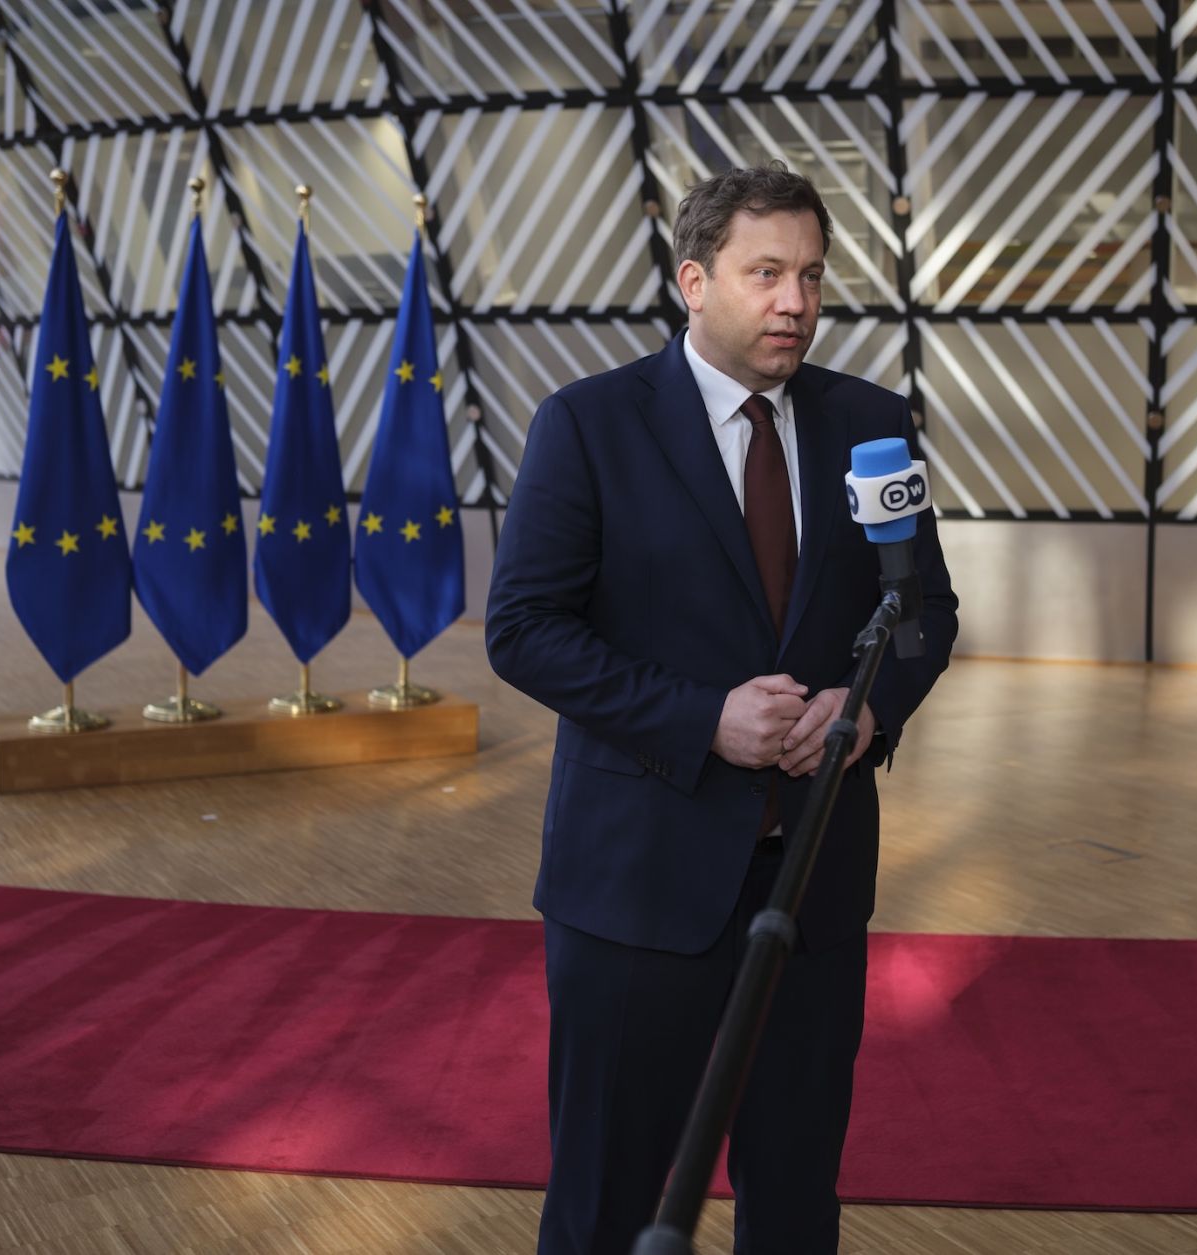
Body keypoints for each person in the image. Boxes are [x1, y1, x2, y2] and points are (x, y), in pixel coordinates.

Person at [486, 164, 958, 1255]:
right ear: (694, 281)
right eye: (766, 273)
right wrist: (706, 716)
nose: (796, 299)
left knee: (793, 1203)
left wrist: (868, 708)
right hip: (636, 893)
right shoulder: (590, 425)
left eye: (811, 275)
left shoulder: (872, 424)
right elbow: (526, 630)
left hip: (812, 887)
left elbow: (924, 610)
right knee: (609, 1203)